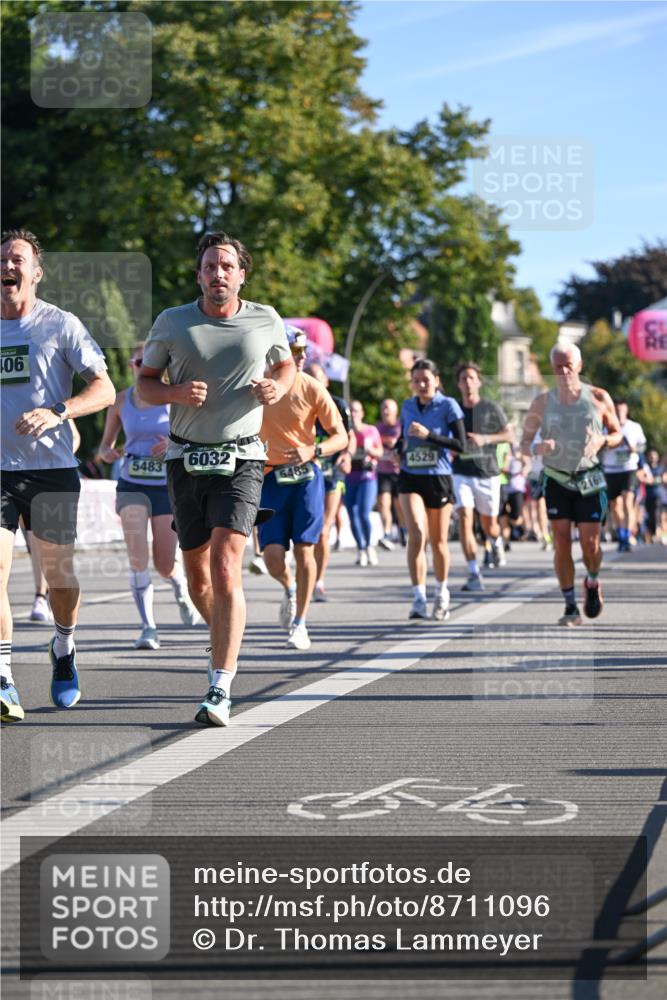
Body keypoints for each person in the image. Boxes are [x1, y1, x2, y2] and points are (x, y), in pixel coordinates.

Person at [137, 231, 295, 726]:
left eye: (227, 266)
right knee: (198, 577)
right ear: (199, 274)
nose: (218, 274)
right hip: (185, 459)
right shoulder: (173, 322)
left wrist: (278, 385)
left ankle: (219, 686)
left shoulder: (265, 318)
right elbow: (145, 386)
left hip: (244, 458)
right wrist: (176, 393)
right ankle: (225, 639)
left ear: (241, 274)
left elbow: (286, 364)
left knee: (228, 566)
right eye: (209, 267)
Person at [1, 229, 115, 722]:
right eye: (2, 259)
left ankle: (63, 647)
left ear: (36, 273)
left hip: (51, 472)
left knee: (60, 583)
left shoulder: (61, 325)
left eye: (17, 259)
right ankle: (4, 681)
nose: (8, 266)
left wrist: (59, 411)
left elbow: (105, 389)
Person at [98, 343, 200, 649]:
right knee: (137, 557)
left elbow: (194, 441)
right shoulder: (120, 401)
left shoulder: (174, 400)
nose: (141, 367)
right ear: (131, 366)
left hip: (166, 487)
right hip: (132, 484)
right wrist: (109, 453)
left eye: (147, 363)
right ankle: (148, 627)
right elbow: (104, 447)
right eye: (137, 362)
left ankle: (180, 588)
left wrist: (172, 445)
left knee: (165, 563)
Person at [520, 341, 622, 626]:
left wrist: (602, 440)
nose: (563, 371)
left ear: (579, 366)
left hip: (589, 477)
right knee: (561, 542)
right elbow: (524, 443)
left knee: (590, 545)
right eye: (557, 366)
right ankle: (569, 607)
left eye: (568, 365)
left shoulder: (599, 397)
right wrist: (540, 447)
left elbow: (617, 435)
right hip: (557, 479)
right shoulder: (542, 402)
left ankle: (591, 580)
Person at [259, 329, 348, 649]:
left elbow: (341, 436)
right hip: (269, 478)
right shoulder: (258, 386)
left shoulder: (312, 388)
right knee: (271, 559)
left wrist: (315, 451)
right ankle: (290, 587)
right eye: (289, 351)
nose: (297, 357)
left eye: (300, 351)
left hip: (306, 478)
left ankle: (300, 623)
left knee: (305, 549)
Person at [398, 359, 465, 620]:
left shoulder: (448, 405)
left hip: (438, 477)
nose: (421, 385)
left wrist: (429, 436)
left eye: (426, 380)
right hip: (410, 475)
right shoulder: (407, 405)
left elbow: (461, 445)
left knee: (438, 541)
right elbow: (402, 438)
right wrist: (396, 450)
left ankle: (442, 592)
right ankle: (418, 598)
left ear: (436, 380)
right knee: (416, 533)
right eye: (416, 381)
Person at [451, 362, 513, 591]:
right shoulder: (454, 409)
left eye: (471, 378)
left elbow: (510, 434)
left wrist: (485, 439)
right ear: (458, 384)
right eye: (463, 379)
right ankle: (473, 573)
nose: (467, 382)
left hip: (487, 473)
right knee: (465, 519)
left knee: (490, 525)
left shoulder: (490, 408)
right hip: (461, 473)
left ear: (478, 382)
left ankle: (495, 542)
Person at [304, 361, 353, 602]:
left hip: (332, 472)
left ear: (325, 381)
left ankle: (319, 581)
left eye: (317, 378)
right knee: (306, 528)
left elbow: (348, 437)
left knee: (323, 528)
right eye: (308, 377)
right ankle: (305, 574)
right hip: (305, 471)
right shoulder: (298, 401)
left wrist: (346, 455)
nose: (313, 382)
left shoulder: (339, 405)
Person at [600, 399, 646, 552]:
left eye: (622, 411)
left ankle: (627, 535)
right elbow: (597, 445)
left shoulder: (634, 427)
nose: (619, 414)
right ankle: (620, 534)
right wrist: (606, 445)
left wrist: (635, 448)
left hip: (629, 468)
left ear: (626, 411)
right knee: (615, 506)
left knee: (628, 502)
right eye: (617, 411)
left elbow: (643, 445)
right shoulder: (606, 427)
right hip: (611, 469)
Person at [345, 401, 384, 567]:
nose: (353, 414)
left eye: (356, 411)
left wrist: (370, 450)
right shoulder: (345, 432)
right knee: (352, 514)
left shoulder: (371, 430)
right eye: (351, 411)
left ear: (362, 413)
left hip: (367, 477)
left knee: (363, 512)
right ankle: (360, 549)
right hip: (349, 477)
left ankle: (369, 546)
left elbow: (380, 452)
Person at [375, 398, 404, 550]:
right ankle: (386, 533)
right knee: (383, 503)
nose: (385, 411)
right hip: (383, 472)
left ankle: (403, 530)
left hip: (399, 471)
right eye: (383, 408)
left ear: (395, 411)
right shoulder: (377, 428)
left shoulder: (401, 427)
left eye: (388, 408)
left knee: (400, 505)